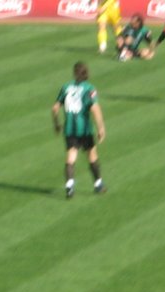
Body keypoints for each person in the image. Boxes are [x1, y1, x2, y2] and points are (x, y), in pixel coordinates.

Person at [52, 61, 107, 198]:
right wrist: (101, 128)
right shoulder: (89, 89)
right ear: (86, 73)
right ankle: (98, 184)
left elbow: (55, 108)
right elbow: (95, 109)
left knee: (71, 157)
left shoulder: (66, 87)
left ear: (74, 73)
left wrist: (57, 124)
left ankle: (69, 185)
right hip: (85, 130)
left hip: (69, 129)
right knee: (92, 156)